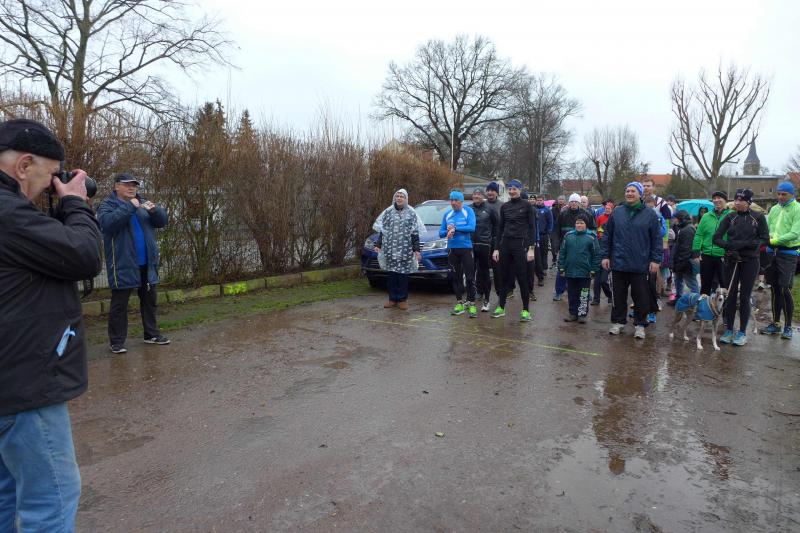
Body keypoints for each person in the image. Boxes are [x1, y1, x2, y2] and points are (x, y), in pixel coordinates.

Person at [0, 119, 102, 531]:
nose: (51, 185)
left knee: (6, 494)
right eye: (50, 174)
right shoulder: (8, 213)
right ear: (24, 166)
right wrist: (75, 203)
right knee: (51, 499)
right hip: (25, 384)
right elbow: (83, 255)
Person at [98, 173, 170, 353]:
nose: (132, 188)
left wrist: (155, 211)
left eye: (134, 185)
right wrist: (130, 206)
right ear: (116, 186)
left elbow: (162, 221)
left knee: (149, 301)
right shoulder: (107, 205)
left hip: (147, 263)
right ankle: (116, 342)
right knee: (119, 305)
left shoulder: (143, 203)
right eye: (127, 184)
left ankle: (151, 335)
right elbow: (108, 224)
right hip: (123, 264)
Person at [601, 182, 662, 339]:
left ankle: (640, 324)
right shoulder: (617, 212)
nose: (629, 193)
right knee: (618, 296)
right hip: (618, 262)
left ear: (640, 194)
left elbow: (656, 239)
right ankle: (618, 322)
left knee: (641, 297)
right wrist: (605, 255)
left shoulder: (650, 214)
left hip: (640, 263)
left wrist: (656, 260)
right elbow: (607, 235)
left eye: (633, 191)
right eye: (627, 191)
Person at [713, 189, 769, 346]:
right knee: (730, 296)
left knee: (744, 297)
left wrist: (749, 245)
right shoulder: (730, 217)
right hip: (732, 260)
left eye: (741, 200)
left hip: (750, 261)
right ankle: (729, 329)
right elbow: (716, 238)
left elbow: (765, 238)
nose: (737, 203)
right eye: (736, 200)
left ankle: (742, 332)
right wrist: (729, 248)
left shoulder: (758, 217)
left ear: (749, 202)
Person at [371, 188, 425, 310]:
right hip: (390, 249)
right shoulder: (388, 212)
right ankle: (392, 299)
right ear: (394, 198)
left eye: (402, 196)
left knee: (402, 275)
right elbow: (383, 230)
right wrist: (378, 245)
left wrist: (416, 250)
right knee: (392, 274)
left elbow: (415, 233)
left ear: (406, 199)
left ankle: (402, 299)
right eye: (397, 196)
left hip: (405, 250)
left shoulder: (411, 213)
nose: (399, 198)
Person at [759, 181, 800, 339]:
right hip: (772, 253)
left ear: (792, 194)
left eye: (784, 194)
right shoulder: (774, 209)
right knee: (774, 289)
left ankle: (788, 326)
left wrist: (773, 241)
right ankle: (776, 324)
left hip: (788, 253)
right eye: (779, 194)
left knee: (784, 288)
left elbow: (795, 233)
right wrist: (766, 241)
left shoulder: (797, 209)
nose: (781, 197)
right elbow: (767, 229)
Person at [491, 179, 536, 321]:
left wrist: (531, 249)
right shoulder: (505, 207)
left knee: (522, 278)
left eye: (514, 189)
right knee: (503, 277)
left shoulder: (527, 206)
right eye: (510, 189)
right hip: (506, 245)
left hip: (520, 245)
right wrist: (496, 248)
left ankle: (526, 310)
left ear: (520, 190)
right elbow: (500, 229)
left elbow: (532, 228)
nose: (511, 191)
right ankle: (501, 307)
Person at [440, 190, 477, 317]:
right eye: (451, 200)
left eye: (456, 200)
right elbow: (441, 233)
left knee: (470, 277)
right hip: (452, 249)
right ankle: (459, 303)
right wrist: (447, 232)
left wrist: (455, 229)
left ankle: (472, 304)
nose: (453, 203)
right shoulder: (447, 214)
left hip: (466, 248)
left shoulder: (468, 211)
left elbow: (472, 227)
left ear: (461, 201)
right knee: (456, 277)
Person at [559, 214, 600, 323]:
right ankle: (573, 313)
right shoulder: (568, 236)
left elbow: (596, 254)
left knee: (584, 294)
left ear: (586, 224)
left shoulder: (591, 237)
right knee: (572, 293)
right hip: (570, 271)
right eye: (577, 223)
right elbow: (562, 252)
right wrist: (561, 267)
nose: (579, 225)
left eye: (582, 223)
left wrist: (594, 269)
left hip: (585, 272)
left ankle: (582, 314)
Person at [554, 193, 596, 301]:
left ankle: (586, 293)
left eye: (575, 201)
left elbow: (593, 229)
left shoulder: (586, 214)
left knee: (585, 271)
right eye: (571, 201)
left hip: (584, 247)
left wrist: (592, 243)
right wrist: (556, 245)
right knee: (561, 269)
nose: (573, 203)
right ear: (569, 203)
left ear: (579, 203)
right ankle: (559, 291)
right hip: (566, 246)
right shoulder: (563, 214)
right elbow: (556, 231)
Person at [692, 191, 731, 295]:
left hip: (724, 256)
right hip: (707, 255)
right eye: (714, 198)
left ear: (725, 200)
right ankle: (704, 304)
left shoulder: (731, 215)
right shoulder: (706, 216)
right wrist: (696, 251)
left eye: (719, 198)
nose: (716, 200)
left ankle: (726, 305)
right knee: (705, 285)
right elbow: (699, 234)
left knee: (725, 285)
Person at [470, 188, 497, 312]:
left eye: (478, 194)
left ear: (483, 196)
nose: (476, 196)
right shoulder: (468, 209)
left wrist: (494, 244)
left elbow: (496, 227)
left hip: (484, 244)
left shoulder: (490, 209)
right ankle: (470, 299)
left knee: (485, 273)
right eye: (474, 194)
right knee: (470, 273)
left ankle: (487, 300)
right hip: (470, 245)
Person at [669, 210, 699, 300]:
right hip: (682, 260)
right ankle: (679, 298)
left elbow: (686, 248)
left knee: (691, 282)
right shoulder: (685, 228)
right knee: (678, 280)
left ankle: (696, 300)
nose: (674, 220)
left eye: (676, 218)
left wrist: (681, 262)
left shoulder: (688, 229)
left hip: (686, 261)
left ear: (681, 219)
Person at [591, 198, 615, 305]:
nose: (607, 210)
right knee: (597, 279)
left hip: (608, 255)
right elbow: (596, 231)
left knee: (603, 280)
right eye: (606, 208)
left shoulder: (614, 219)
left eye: (609, 208)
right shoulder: (600, 218)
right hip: (598, 253)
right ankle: (596, 299)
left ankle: (610, 295)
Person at [485, 181, 506, 300]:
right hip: (484, 240)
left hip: (498, 241)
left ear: (497, 193)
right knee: (482, 268)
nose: (490, 192)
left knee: (498, 269)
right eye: (488, 190)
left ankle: (500, 292)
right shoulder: (483, 205)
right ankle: (481, 291)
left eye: (492, 190)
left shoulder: (502, 206)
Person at [534, 194, 554, 284]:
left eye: (540, 200)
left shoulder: (547, 210)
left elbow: (550, 222)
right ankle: (535, 269)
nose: (539, 202)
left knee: (544, 252)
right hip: (534, 236)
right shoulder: (533, 209)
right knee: (534, 253)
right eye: (538, 200)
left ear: (543, 201)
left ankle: (544, 268)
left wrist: (548, 231)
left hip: (543, 235)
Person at [550, 195, 566, 265]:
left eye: (562, 199)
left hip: (564, 229)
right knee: (554, 245)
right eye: (559, 199)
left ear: (565, 201)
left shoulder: (567, 208)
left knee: (563, 245)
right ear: (557, 200)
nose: (561, 201)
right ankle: (554, 257)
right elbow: (551, 220)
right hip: (555, 229)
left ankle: (562, 259)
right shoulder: (553, 209)